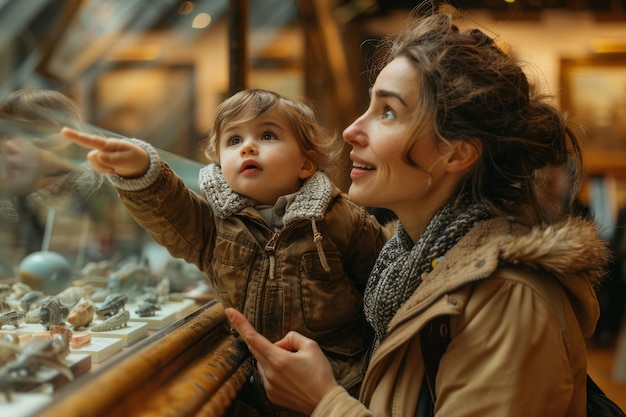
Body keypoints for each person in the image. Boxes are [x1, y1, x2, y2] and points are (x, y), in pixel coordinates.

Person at [225, 4, 611, 417]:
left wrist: (322, 400)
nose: (352, 130)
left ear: (455, 152)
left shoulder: (507, 298)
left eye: (387, 112)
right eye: (369, 106)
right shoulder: (406, 266)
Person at [61, 88, 389, 417]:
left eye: (268, 135)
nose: (248, 146)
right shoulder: (217, 225)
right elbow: (172, 211)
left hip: (337, 384)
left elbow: (383, 287)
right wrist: (139, 170)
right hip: (247, 390)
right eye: (233, 140)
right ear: (220, 162)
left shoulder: (340, 218)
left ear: (305, 163)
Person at [0, 88, 105, 269]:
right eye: (5, 135)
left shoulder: (92, 192)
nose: (7, 147)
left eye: (29, 132)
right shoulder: (14, 200)